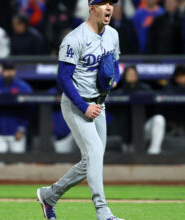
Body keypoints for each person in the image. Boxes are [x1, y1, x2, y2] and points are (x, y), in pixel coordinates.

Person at [36, 0, 123, 220]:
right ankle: (103, 212)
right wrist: (83, 107)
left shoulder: (113, 34)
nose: (109, 7)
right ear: (91, 8)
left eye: (111, 3)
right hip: (77, 104)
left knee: (91, 161)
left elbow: (116, 65)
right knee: (94, 154)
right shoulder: (74, 38)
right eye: (103, 3)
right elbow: (63, 79)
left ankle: (49, 195)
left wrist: (114, 79)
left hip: (99, 104)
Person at [116, 66, 166, 154]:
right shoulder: (120, 92)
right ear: (125, 76)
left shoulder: (145, 89)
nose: (132, 76)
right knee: (129, 154)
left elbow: (154, 109)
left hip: (143, 129)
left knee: (159, 119)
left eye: (133, 74)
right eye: (129, 74)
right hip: (127, 135)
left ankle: (154, 153)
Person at [0, 62, 33, 154]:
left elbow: (30, 109)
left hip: (17, 133)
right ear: (2, 72)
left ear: (15, 71)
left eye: (10, 70)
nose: (8, 73)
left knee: (18, 165)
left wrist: (22, 128)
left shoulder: (24, 87)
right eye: (6, 70)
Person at [48, 86, 75, 154]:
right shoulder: (52, 91)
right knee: (63, 160)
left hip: (77, 129)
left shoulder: (76, 89)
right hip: (62, 134)